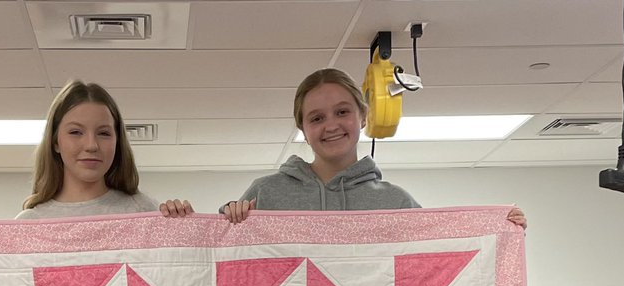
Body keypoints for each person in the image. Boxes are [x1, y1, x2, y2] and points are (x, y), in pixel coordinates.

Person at [222, 68, 525, 228]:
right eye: (317, 118)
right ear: (303, 128)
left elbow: (437, 253)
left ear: (363, 116)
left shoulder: (395, 201)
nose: (331, 125)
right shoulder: (267, 193)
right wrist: (216, 217)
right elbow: (221, 261)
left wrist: (499, 230)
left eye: (342, 112)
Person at [15, 79, 193, 219]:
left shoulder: (142, 211)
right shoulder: (29, 225)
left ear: (117, 141)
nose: (91, 145)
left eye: (104, 133)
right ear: (55, 142)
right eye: (76, 132)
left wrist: (186, 227)